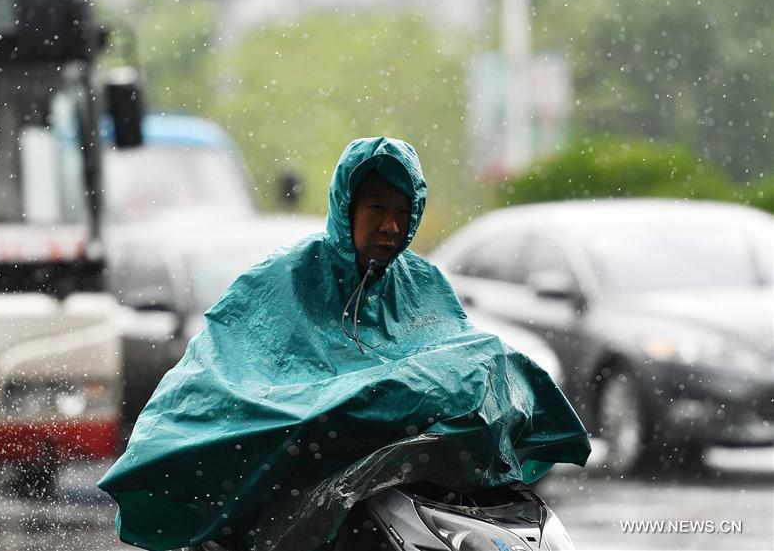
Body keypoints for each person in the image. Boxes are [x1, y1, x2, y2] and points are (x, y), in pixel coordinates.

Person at [99, 137, 589, 551]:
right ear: (347, 206)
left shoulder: (422, 283)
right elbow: (226, 372)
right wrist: (317, 408)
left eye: (403, 212)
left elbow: (456, 353)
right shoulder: (284, 278)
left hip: (402, 494)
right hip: (296, 484)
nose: (391, 226)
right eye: (378, 208)